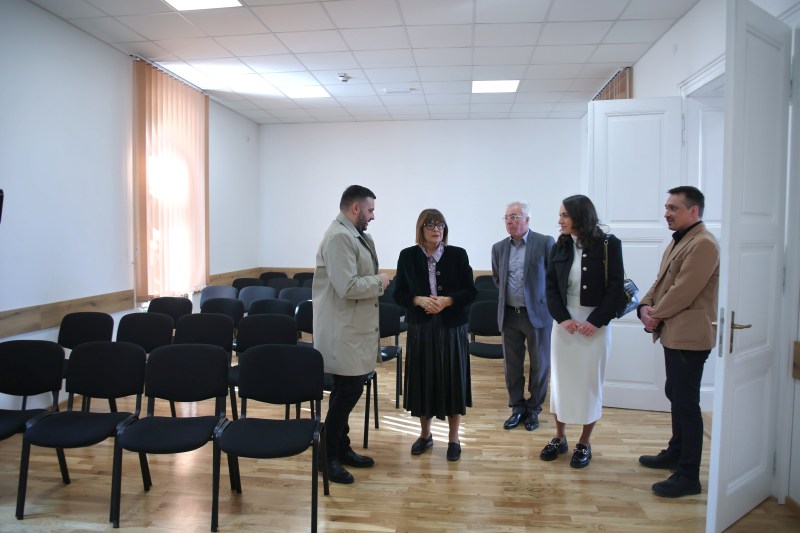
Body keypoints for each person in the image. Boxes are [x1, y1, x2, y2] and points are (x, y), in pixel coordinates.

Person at [637, 186, 719, 498]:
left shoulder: (704, 244)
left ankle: (688, 475)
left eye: (673, 208)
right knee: (676, 393)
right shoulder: (680, 240)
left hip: (690, 336)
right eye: (667, 207)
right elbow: (661, 282)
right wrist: (644, 306)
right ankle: (675, 452)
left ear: (693, 210)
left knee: (686, 402)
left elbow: (683, 291)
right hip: (675, 332)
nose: (666, 213)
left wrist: (654, 316)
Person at [312, 185, 390, 484]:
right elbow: (347, 286)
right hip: (342, 331)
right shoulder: (339, 237)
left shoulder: (356, 236)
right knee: (348, 392)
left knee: (345, 391)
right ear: (355, 208)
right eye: (370, 210)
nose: (373, 216)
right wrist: (380, 281)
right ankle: (327, 456)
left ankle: (340, 448)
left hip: (352, 329)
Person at [543, 194, 623, 468]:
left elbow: (615, 287)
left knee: (590, 383)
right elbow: (550, 287)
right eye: (560, 215)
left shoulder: (609, 244)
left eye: (564, 215)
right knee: (561, 383)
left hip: (595, 326)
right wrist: (563, 319)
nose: (560, 220)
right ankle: (559, 436)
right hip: (564, 325)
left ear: (580, 215)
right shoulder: (560, 245)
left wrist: (596, 321)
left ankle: (584, 442)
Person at [393, 209, 477, 462]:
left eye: (440, 225)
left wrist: (448, 300)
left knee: (453, 380)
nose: (436, 229)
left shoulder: (458, 254)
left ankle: (453, 438)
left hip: (452, 327)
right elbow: (398, 294)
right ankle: (425, 435)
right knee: (423, 380)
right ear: (420, 229)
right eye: (430, 225)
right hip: (421, 327)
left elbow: (471, 292)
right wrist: (417, 300)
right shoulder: (407, 256)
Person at [491, 201, 555, 432]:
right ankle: (517, 408)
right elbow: (498, 279)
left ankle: (534, 409)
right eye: (507, 217)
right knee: (512, 366)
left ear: (527, 220)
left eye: (514, 217)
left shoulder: (545, 242)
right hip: (509, 314)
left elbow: (554, 277)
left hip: (537, 315)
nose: (509, 221)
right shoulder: (499, 248)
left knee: (540, 365)